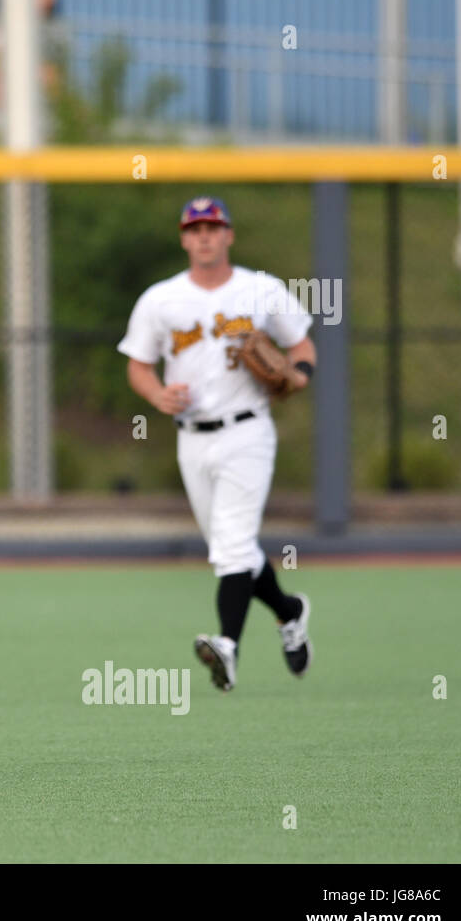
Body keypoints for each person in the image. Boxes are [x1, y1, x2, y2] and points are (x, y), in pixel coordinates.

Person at [117, 196, 316, 692]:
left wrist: (300, 375)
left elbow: (303, 345)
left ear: (229, 235)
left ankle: (227, 646)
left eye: (214, 226)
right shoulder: (160, 300)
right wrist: (157, 393)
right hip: (191, 438)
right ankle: (289, 611)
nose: (205, 235)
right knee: (233, 547)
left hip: (247, 431)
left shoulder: (260, 289)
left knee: (230, 544)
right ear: (184, 238)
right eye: (195, 227)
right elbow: (137, 365)